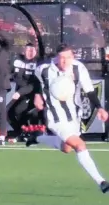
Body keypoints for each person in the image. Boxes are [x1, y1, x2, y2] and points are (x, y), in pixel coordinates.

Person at [26, 43, 109, 193]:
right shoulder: (44, 69)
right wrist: (37, 95)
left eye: (69, 57)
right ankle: (101, 182)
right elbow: (35, 80)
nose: (65, 61)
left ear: (73, 57)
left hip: (73, 115)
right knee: (80, 145)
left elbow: (89, 90)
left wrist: (100, 108)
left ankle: (37, 137)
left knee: (67, 148)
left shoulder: (78, 68)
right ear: (57, 57)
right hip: (55, 117)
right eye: (62, 58)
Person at [7, 43, 40, 140]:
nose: (30, 52)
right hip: (19, 94)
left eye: (32, 50)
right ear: (23, 51)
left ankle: (29, 133)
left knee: (19, 111)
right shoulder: (17, 60)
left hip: (32, 95)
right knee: (6, 112)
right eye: (28, 50)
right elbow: (8, 73)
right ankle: (21, 132)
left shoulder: (38, 63)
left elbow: (34, 84)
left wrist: (20, 92)